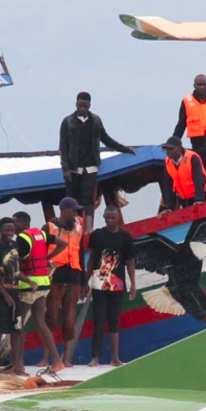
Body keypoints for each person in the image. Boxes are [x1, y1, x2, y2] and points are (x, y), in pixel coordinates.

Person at [58, 91, 135, 231]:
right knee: (71, 199)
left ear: (89, 105)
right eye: (80, 106)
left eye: (85, 106)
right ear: (76, 104)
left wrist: (124, 149)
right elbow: (63, 147)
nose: (83, 109)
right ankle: (69, 227)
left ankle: (88, 229)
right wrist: (66, 169)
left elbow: (106, 139)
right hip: (73, 167)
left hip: (91, 166)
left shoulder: (95, 120)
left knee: (88, 199)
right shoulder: (67, 122)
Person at [13, 211, 66, 373]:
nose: (13, 227)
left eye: (14, 224)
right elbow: (63, 243)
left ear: (22, 224)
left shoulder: (23, 238)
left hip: (29, 285)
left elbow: (16, 264)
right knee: (41, 323)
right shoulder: (41, 234)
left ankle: (19, 365)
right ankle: (58, 362)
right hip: (44, 284)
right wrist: (47, 258)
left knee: (18, 325)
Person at [86, 206, 136, 367]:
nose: (109, 220)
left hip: (118, 284)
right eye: (107, 217)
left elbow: (129, 261)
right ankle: (95, 357)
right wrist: (86, 282)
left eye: (112, 218)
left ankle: (115, 357)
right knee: (98, 320)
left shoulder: (125, 237)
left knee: (114, 321)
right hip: (99, 284)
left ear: (118, 218)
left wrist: (133, 283)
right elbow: (92, 259)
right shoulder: (97, 235)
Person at [46, 197, 86, 366]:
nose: (75, 213)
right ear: (63, 210)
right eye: (73, 210)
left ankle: (66, 359)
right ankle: (45, 358)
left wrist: (84, 282)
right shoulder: (49, 227)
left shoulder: (78, 227)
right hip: (55, 277)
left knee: (69, 321)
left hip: (74, 278)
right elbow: (41, 253)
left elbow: (81, 252)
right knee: (51, 318)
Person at [0, 217, 23, 374]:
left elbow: (16, 270)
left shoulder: (15, 246)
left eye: (12, 231)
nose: (10, 233)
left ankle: (16, 365)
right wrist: (4, 294)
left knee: (17, 329)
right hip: (0, 293)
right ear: (0, 230)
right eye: (7, 230)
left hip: (15, 291)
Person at [160, 136, 206, 210]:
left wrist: (199, 200)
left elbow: (199, 180)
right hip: (185, 201)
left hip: (203, 196)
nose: (168, 151)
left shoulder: (192, 157)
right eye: (166, 149)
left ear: (179, 148)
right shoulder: (167, 162)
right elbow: (168, 186)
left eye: (171, 149)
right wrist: (169, 207)